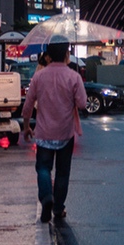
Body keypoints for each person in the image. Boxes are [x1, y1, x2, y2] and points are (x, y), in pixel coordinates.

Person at [22, 41, 87, 224]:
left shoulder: (39, 77)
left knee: (43, 168)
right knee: (62, 172)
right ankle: (58, 208)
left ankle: (46, 198)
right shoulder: (73, 77)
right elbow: (82, 104)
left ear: (49, 56)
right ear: (66, 54)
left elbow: (28, 106)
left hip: (43, 132)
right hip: (65, 132)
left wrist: (27, 126)